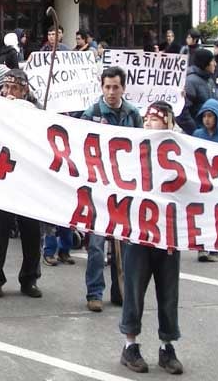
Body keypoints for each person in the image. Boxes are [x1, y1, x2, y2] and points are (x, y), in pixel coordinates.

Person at [120, 101, 183, 375]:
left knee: (168, 295)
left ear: (168, 123)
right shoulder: (133, 150)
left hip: (168, 237)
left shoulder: (182, 154)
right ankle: (129, 346)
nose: (148, 123)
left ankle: (167, 347)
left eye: (155, 119)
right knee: (133, 292)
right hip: (138, 235)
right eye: (146, 119)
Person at [80, 66, 142, 312]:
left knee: (124, 243)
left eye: (116, 87)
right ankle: (94, 292)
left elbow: (141, 148)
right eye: (107, 87)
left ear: (123, 88)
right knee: (96, 245)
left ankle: (120, 290)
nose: (111, 92)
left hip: (124, 188)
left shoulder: (133, 114)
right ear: (102, 87)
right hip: (98, 187)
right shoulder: (92, 113)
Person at [0, 69, 43, 299]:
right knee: (0, 229)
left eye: (15, 89)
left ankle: (30, 278)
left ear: (24, 91)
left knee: (32, 232)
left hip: (28, 181)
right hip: (4, 177)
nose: (9, 92)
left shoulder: (35, 112)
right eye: (7, 87)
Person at [192, 99, 218, 262]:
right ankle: (201, 247)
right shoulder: (197, 135)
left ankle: (215, 248)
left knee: (216, 217)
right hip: (202, 182)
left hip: (217, 183)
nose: (207, 119)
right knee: (201, 216)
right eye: (204, 116)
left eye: (211, 116)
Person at [176, 49, 216, 135]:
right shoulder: (190, 82)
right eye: (213, 61)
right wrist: (195, 132)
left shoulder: (209, 81)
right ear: (205, 63)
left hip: (209, 133)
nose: (215, 64)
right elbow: (182, 113)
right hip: (194, 137)